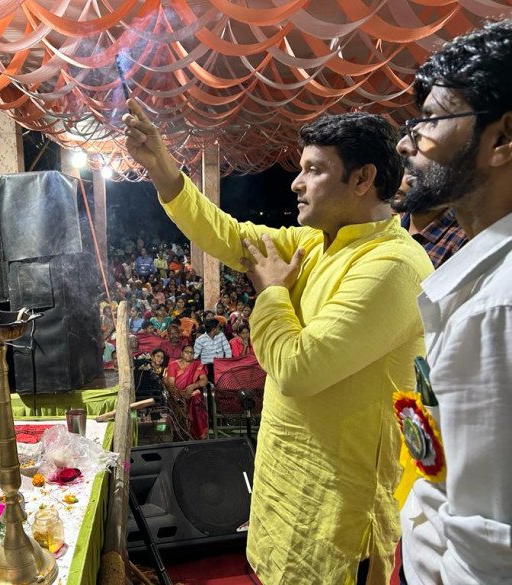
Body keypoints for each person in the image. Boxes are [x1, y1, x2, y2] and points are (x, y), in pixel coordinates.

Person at [124, 102, 433, 584]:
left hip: (337, 511)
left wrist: (270, 292)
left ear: (362, 178)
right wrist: (163, 171)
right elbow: (231, 236)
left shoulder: (392, 265)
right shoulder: (314, 244)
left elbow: (297, 370)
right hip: (286, 484)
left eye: (314, 170)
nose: (296, 183)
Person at [395, 20, 512, 585]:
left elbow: (488, 555)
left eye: (431, 120)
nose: (406, 143)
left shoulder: (497, 308)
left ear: (502, 138)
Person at [391, 177, 467, 268]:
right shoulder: (392, 220)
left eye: (418, 174)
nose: (405, 180)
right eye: (405, 171)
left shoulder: (463, 241)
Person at [165, 345, 209, 440]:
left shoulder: (197, 365)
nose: (189, 354)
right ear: (181, 353)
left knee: (197, 399)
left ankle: (200, 434)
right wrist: (181, 394)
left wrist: (192, 386)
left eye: (191, 353)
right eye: (187, 352)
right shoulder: (173, 364)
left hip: (192, 394)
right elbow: (171, 384)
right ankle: (182, 433)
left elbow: (204, 380)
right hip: (176, 394)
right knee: (178, 405)